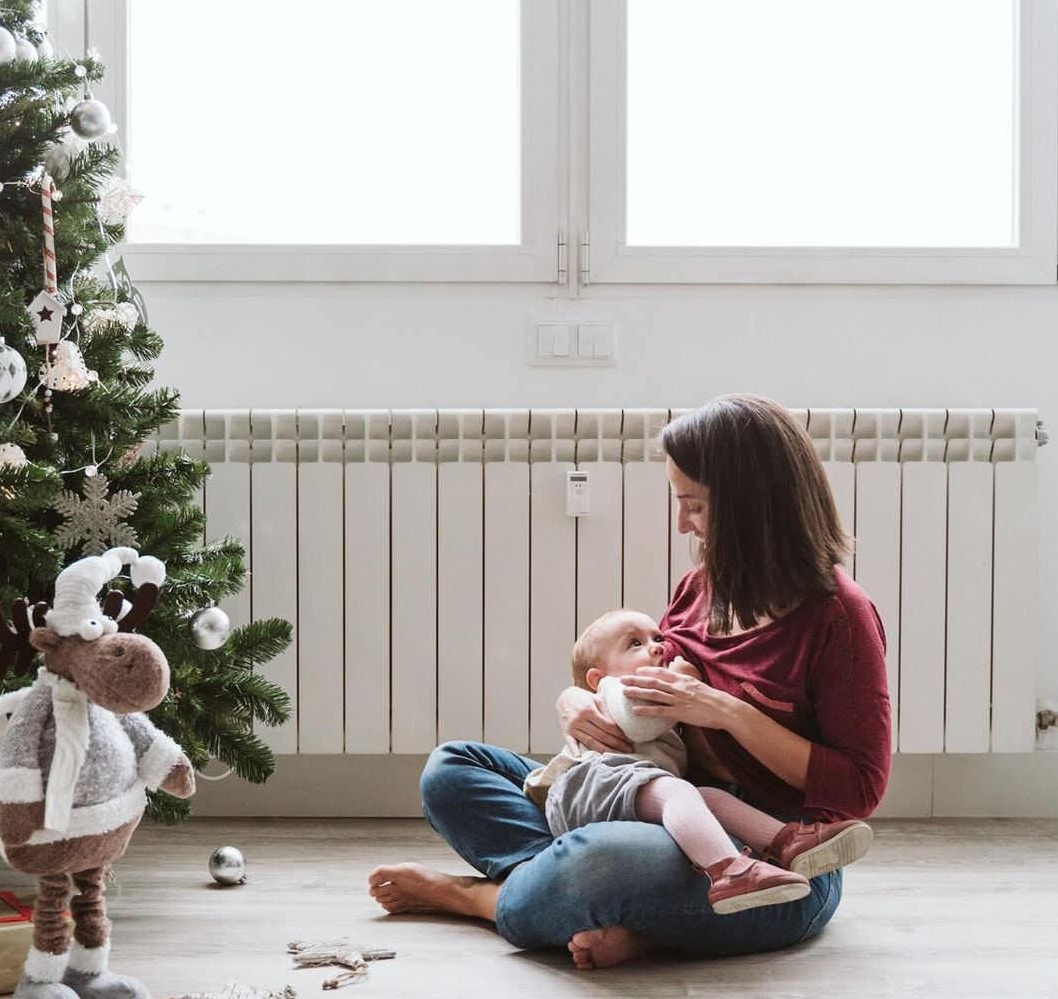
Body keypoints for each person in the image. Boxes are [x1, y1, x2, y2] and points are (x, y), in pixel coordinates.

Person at [368, 394, 893, 969]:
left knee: (605, 857)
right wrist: (574, 699)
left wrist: (727, 712)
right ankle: (620, 912)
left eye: (693, 504)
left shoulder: (839, 617)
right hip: (654, 796)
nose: (682, 523)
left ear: (751, 507)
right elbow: (639, 687)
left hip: (772, 855)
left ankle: (485, 899)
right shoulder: (704, 587)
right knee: (452, 767)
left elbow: (858, 790)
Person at [527, 608, 871, 915]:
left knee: (704, 797)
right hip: (592, 785)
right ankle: (728, 870)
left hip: (632, 785)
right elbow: (638, 720)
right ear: (597, 679)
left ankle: (787, 839)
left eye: (657, 637)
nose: (658, 647)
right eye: (634, 644)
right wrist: (689, 686)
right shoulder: (616, 690)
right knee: (677, 793)